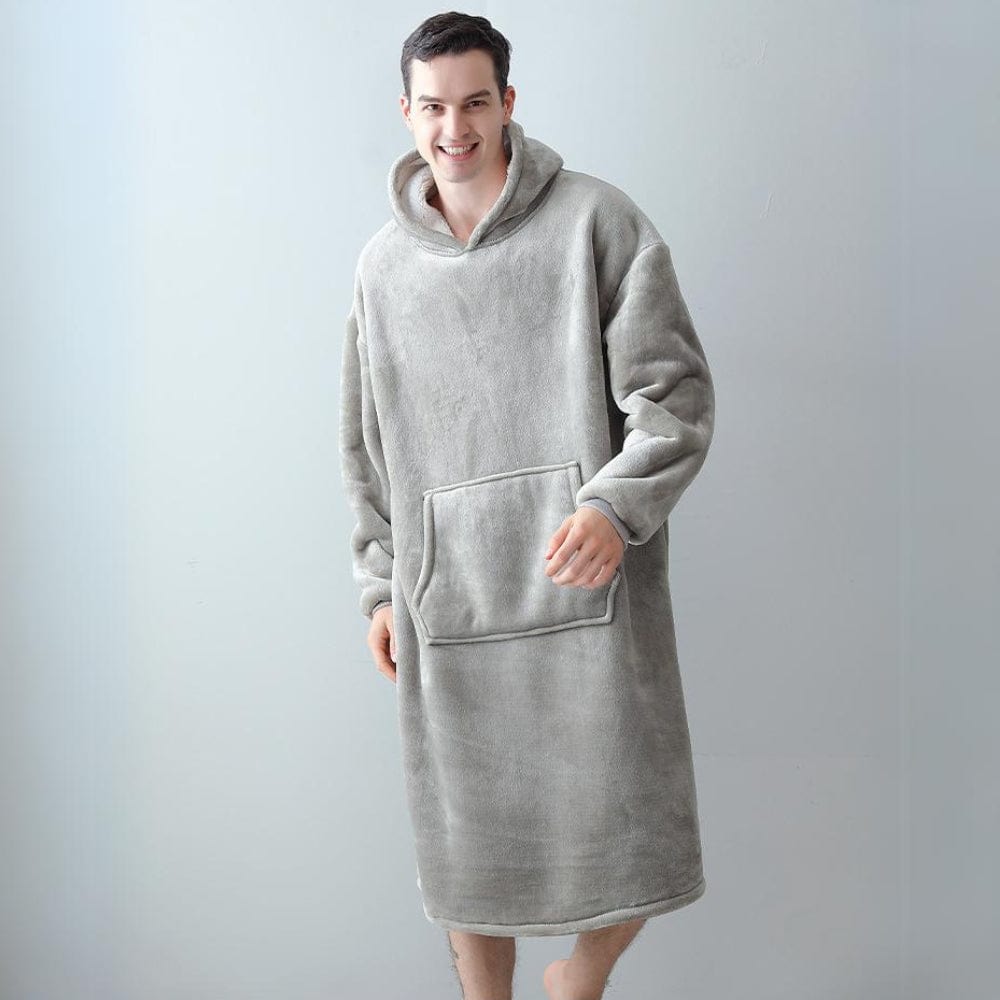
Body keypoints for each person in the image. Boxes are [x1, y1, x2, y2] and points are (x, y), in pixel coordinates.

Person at [338, 12, 716, 1000]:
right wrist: (380, 586)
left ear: (507, 102)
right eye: (432, 107)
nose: (453, 129)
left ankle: (576, 980)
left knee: (637, 832)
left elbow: (674, 397)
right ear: (406, 112)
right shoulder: (383, 270)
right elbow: (365, 446)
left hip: (585, 583)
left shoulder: (595, 221)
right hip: (448, 602)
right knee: (468, 851)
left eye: (474, 103)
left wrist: (612, 508)